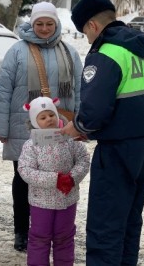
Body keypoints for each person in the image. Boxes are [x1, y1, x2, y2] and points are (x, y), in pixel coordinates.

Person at [61, 0, 144, 265]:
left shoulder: (106, 53)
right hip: (143, 150)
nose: (88, 39)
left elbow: (94, 109)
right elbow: (130, 101)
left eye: (85, 33)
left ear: (92, 25)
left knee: (105, 227)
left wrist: (78, 127)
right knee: (129, 223)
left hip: (117, 152)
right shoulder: (140, 51)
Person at [0, 1, 83, 252]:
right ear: (32, 24)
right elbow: (3, 90)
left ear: (56, 24)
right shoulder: (17, 51)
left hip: (60, 128)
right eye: (39, 24)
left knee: (56, 178)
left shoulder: (70, 52)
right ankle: (22, 230)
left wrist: (80, 123)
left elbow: (79, 90)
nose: (44, 28)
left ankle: (51, 229)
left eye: (48, 23)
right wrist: (0, 127)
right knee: (23, 179)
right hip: (24, 128)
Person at [17, 96, 90, 266]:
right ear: (35, 121)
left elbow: (83, 159)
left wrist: (72, 178)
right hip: (41, 201)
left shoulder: (69, 139)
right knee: (39, 237)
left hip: (67, 199)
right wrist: (55, 179)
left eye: (51, 115)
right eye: (42, 117)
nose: (48, 119)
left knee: (64, 237)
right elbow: (25, 170)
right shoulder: (31, 145)